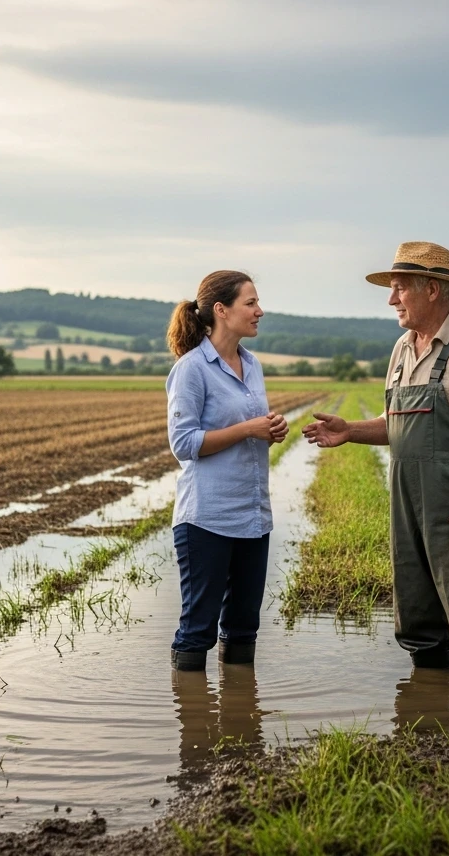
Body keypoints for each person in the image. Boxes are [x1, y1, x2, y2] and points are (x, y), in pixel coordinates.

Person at [303, 242, 449, 681]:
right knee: (418, 619)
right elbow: (396, 424)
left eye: (400, 288)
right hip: (407, 507)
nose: (391, 299)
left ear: (433, 289)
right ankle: (427, 725)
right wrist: (350, 431)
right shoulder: (402, 350)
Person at [166, 270, 288, 672]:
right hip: (207, 520)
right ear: (221, 310)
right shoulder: (191, 369)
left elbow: (249, 430)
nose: (260, 311)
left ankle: (241, 722)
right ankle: (194, 725)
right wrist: (247, 429)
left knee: (243, 629)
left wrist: (269, 431)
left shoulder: (251, 365)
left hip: (253, 517)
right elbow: (184, 444)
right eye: (250, 303)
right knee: (197, 631)